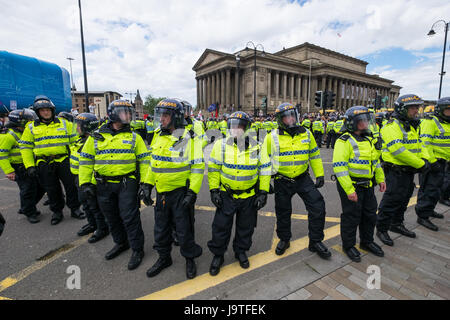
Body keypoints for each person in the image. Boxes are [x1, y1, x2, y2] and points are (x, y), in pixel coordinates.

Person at [79, 100, 149, 270]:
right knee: (111, 216)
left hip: (127, 182)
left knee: (130, 217)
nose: (129, 115)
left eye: (129, 112)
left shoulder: (134, 137)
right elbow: (86, 161)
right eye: (125, 112)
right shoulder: (96, 136)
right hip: (103, 184)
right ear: (114, 114)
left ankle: (137, 249)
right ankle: (120, 243)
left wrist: (146, 184)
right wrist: (85, 183)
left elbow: (145, 162)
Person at [141, 99, 203, 279]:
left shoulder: (187, 137)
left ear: (175, 117)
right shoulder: (158, 136)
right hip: (161, 193)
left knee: (184, 231)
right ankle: (164, 257)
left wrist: (192, 192)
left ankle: (190, 258)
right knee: (161, 230)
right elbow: (155, 164)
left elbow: (197, 167)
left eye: (165, 115)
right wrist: (147, 185)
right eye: (160, 115)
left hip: (180, 194)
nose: (161, 119)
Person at [260, 103, 331, 259]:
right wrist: (264, 188)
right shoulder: (271, 137)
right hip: (282, 180)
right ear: (280, 119)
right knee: (283, 212)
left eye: (293, 115)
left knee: (318, 206)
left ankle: (316, 240)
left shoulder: (306, 134)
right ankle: (284, 239)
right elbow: (264, 164)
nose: (291, 119)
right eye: (286, 116)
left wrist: (319, 174)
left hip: (302, 178)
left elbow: (314, 155)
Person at [207, 111, 270, 276]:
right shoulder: (221, 144)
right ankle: (218, 255)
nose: (236, 130)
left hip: (249, 196)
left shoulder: (257, 146)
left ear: (247, 128)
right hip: (226, 195)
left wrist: (263, 192)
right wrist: (214, 191)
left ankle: (240, 251)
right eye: (233, 126)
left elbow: (264, 170)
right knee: (221, 227)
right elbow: (214, 169)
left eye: (240, 126)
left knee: (246, 227)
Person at [376, 94, 434, 246]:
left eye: (417, 107)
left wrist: (426, 159)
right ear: (403, 109)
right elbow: (398, 150)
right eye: (413, 108)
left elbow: (419, 145)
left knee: (404, 199)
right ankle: (381, 229)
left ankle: (396, 224)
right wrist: (420, 164)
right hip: (395, 171)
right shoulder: (391, 126)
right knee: (390, 201)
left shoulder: (412, 125)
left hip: (408, 171)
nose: (416, 111)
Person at [20, 96, 84, 225]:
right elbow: (25, 147)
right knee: (52, 189)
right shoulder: (31, 127)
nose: (46, 112)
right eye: (42, 110)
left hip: (64, 160)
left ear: (52, 110)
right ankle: (57, 211)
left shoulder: (65, 123)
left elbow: (75, 141)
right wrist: (30, 166)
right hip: (43, 163)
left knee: (71, 186)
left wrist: (77, 160)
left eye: (48, 109)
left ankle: (75, 208)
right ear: (38, 112)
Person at [333, 106, 386, 262]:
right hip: (352, 185)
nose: (366, 123)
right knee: (351, 217)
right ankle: (348, 245)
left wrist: (381, 178)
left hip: (368, 185)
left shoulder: (368, 139)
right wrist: (349, 190)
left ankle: (366, 242)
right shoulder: (344, 141)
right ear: (353, 123)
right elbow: (339, 167)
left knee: (370, 215)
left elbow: (375, 162)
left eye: (366, 120)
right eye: (362, 120)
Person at [0, 109, 45, 223]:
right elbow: (2, 154)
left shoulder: (23, 132)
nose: (31, 122)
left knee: (38, 187)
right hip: (19, 166)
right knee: (28, 190)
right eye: (28, 120)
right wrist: (9, 171)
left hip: (28, 164)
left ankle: (27, 207)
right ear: (20, 122)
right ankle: (29, 212)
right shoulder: (8, 135)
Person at [70, 113, 109, 243]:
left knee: (94, 206)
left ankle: (101, 228)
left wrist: (89, 183)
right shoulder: (80, 140)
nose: (76, 128)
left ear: (87, 127)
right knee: (85, 205)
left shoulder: (93, 141)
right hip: (79, 178)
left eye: (79, 126)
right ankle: (92, 224)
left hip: (90, 180)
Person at [415, 97, 449, 229]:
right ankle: (422, 216)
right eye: (448, 110)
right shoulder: (430, 122)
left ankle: (429, 210)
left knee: (436, 190)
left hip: (443, 162)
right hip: (433, 163)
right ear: (441, 110)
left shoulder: (447, 123)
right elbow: (425, 144)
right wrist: (432, 161)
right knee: (429, 189)